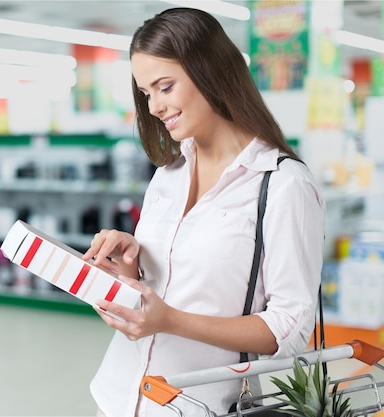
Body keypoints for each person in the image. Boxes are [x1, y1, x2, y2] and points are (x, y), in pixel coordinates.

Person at [81, 7, 325, 417]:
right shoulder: (168, 176)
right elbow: (162, 290)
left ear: (208, 70)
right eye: (146, 93)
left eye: (165, 87)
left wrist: (170, 321)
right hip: (118, 396)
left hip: (201, 405)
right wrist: (129, 272)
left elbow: (290, 328)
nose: (155, 106)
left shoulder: (283, 184)